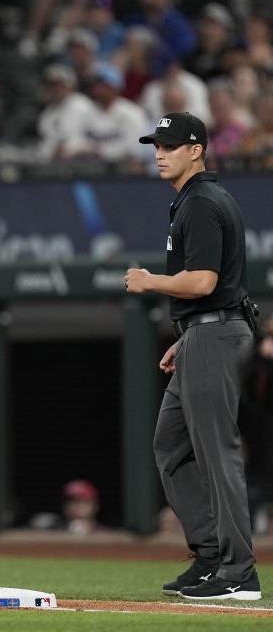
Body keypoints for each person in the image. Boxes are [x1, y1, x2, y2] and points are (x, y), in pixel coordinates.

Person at [125, 111, 262, 601]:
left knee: (217, 452)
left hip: (217, 334)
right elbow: (212, 287)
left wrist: (149, 281)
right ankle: (209, 556)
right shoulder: (193, 200)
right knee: (171, 444)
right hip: (205, 333)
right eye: (156, 146)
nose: (159, 153)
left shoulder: (201, 201)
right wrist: (186, 336)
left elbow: (202, 281)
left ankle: (239, 571)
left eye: (169, 146)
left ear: (196, 149)